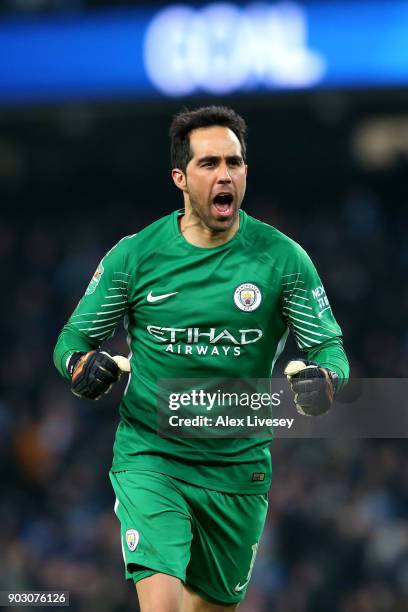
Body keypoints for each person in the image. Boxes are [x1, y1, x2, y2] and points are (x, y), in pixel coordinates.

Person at [54, 106, 349, 612]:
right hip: (153, 456)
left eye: (234, 163)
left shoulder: (282, 259)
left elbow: (330, 351)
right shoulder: (135, 256)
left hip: (238, 470)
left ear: (246, 173)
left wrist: (324, 382)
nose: (224, 174)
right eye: (209, 163)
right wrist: (82, 369)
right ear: (180, 177)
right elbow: (71, 342)